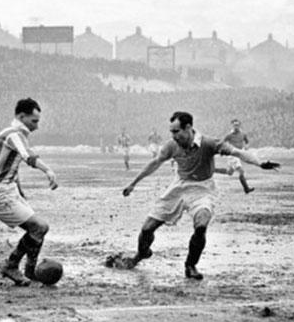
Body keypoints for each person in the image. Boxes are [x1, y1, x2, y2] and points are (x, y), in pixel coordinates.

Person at [107, 111, 279, 280]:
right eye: (171, 132)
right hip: (179, 186)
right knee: (147, 228)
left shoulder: (209, 143)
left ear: (188, 128)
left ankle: (190, 266)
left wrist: (260, 163)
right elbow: (155, 163)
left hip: (203, 188)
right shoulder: (171, 146)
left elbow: (238, 153)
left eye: (176, 131)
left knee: (201, 224)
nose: (173, 136)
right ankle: (142, 253)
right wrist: (133, 184)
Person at [0, 98, 58, 286]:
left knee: (40, 228)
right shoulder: (13, 134)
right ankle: (11, 265)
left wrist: (19, 189)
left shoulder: (12, 135)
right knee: (39, 227)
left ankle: (30, 271)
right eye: (34, 121)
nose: (37, 126)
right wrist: (48, 170)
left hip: (7, 190)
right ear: (21, 116)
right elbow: (28, 157)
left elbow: (3, 165)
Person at [223, 119, 254, 194]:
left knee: (230, 172)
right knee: (241, 171)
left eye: (237, 125)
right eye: (234, 125)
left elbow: (247, 141)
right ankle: (246, 188)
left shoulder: (243, 134)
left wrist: (246, 147)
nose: (236, 126)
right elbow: (222, 143)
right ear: (232, 126)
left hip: (239, 154)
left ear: (240, 125)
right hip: (232, 155)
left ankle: (213, 170)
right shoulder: (229, 135)